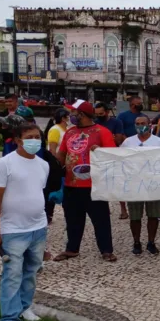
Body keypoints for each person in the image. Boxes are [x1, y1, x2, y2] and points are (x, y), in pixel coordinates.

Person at [0, 122, 50, 321]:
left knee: (31, 273)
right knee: (12, 276)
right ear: (18, 140)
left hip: (38, 227)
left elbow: (36, 192)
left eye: (37, 136)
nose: (35, 140)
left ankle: (24, 307)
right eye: (30, 137)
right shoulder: (4, 164)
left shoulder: (43, 165)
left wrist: (44, 230)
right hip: (13, 230)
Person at [53, 101, 117, 262]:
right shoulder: (69, 132)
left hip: (94, 185)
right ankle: (72, 248)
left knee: (100, 219)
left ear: (82, 114)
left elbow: (113, 156)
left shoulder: (102, 132)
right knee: (72, 219)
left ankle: (106, 250)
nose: (70, 116)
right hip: (71, 184)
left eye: (73, 113)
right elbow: (62, 154)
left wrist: (100, 151)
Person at [120, 114, 160, 256]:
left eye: (143, 123)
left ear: (149, 125)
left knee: (153, 215)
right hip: (134, 184)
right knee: (135, 216)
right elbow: (119, 158)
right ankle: (136, 242)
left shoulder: (159, 142)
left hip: (153, 184)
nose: (140, 126)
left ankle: (151, 242)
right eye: (137, 123)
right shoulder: (128, 142)